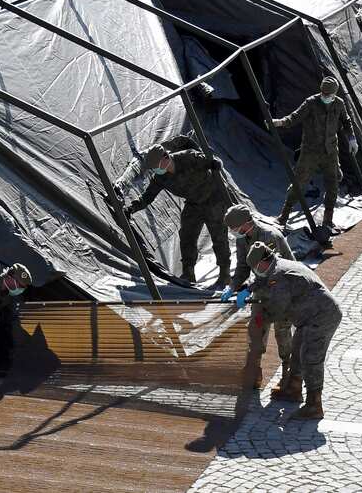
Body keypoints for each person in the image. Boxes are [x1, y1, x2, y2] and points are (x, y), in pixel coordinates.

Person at [246, 241, 343, 419]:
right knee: (297, 350)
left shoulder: (279, 275)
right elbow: (261, 280)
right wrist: (248, 289)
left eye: (255, 267)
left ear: (263, 263)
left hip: (321, 316)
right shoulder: (276, 265)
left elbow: (278, 309)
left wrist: (262, 317)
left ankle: (314, 404)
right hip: (307, 317)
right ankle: (293, 388)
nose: (254, 271)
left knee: (311, 358)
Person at [127, 144, 231, 286]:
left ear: (165, 158)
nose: (155, 170)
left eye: (156, 166)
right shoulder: (161, 177)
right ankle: (188, 273)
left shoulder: (188, 157)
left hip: (213, 198)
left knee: (218, 237)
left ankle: (225, 274)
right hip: (193, 204)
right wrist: (131, 208)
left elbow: (211, 162)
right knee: (187, 236)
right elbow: (148, 196)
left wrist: (214, 164)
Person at [272, 76, 357, 230]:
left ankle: (328, 219)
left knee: (333, 183)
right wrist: (279, 122)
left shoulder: (339, 104)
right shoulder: (311, 103)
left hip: (330, 150)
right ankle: (283, 216)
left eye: (329, 95)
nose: (326, 97)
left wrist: (352, 139)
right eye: (323, 94)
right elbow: (294, 118)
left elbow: (346, 122)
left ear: (334, 94)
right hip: (310, 151)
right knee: (299, 182)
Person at [224, 206, 294, 391]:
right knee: (256, 330)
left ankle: (289, 375)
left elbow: (271, 274)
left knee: (283, 333)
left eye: (235, 228)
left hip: (282, 291)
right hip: (261, 291)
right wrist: (232, 287)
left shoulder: (269, 237)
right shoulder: (243, 239)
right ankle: (254, 372)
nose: (234, 232)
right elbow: (242, 268)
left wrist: (247, 289)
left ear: (247, 224)